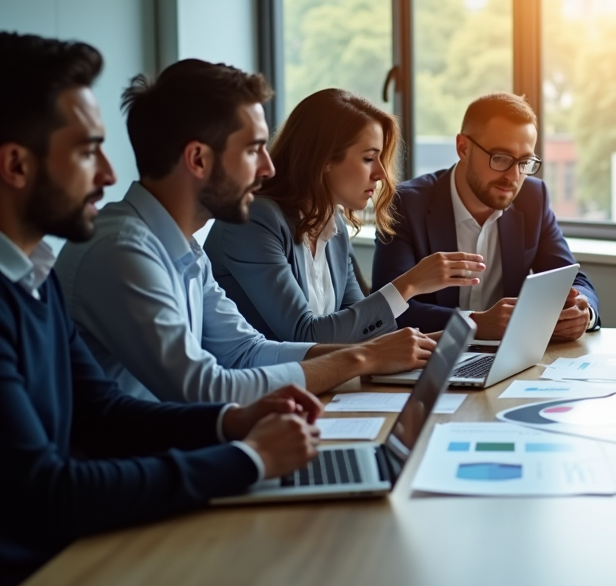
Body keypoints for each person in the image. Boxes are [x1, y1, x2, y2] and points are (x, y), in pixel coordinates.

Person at [0, 32, 321, 586]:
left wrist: (232, 423)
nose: (107, 173)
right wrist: (247, 459)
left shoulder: (33, 278)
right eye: (87, 151)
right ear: (16, 165)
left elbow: (103, 411)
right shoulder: (97, 256)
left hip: (79, 547)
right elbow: (46, 492)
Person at [55, 60, 436, 404]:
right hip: (140, 453)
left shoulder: (184, 248)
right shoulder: (123, 252)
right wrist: (362, 359)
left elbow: (245, 352)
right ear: (198, 159)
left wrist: (376, 353)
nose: (268, 167)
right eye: (253, 150)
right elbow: (203, 388)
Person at [203, 88, 485, 343]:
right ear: (324, 159)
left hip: (324, 379)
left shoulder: (333, 224)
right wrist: (409, 284)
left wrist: (454, 337)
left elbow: (360, 329)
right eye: (368, 158)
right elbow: (304, 334)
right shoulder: (253, 220)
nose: (381, 174)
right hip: (260, 382)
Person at [371, 93, 600, 340]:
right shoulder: (405, 204)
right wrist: (474, 323)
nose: (513, 176)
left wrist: (584, 311)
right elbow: (386, 310)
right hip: (430, 354)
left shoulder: (533, 198)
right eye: (500, 158)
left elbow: (572, 278)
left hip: (510, 354)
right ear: (463, 148)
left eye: (524, 162)